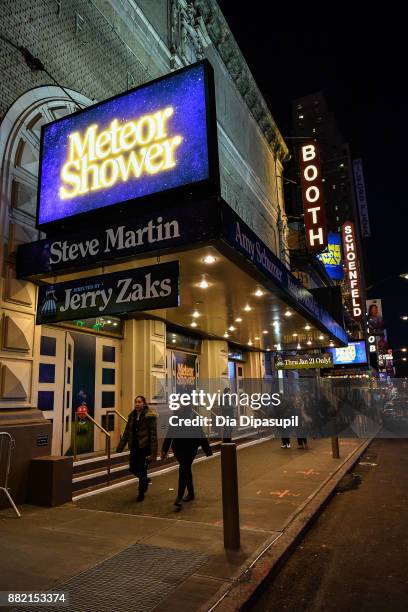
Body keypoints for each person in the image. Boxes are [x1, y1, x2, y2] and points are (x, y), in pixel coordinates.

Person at [161, 405, 213, 508]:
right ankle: (191, 493)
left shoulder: (194, 417)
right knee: (186, 470)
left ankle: (179, 497)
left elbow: (200, 433)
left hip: (190, 449)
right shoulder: (175, 417)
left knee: (183, 469)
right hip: (179, 449)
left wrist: (207, 450)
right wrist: (164, 450)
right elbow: (170, 433)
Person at [116, 395, 157, 502]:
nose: (137, 404)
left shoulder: (149, 416)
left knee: (142, 470)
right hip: (134, 446)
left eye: (139, 402)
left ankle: (141, 492)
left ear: (144, 403)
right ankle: (145, 480)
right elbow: (127, 432)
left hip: (144, 447)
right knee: (132, 468)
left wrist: (153, 453)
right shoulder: (132, 415)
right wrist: (120, 446)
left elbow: (153, 435)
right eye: (136, 402)